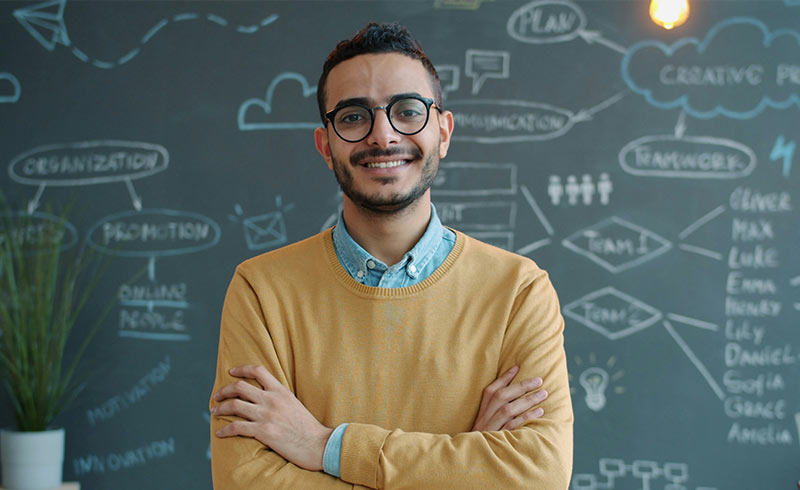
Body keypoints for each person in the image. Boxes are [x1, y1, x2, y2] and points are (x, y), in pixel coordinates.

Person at [209, 22, 573, 489]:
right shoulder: (262, 291)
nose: (382, 136)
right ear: (325, 146)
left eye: (407, 111)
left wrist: (325, 446)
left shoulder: (519, 291)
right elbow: (246, 483)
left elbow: (538, 477)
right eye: (354, 116)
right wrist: (463, 466)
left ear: (443, 131)